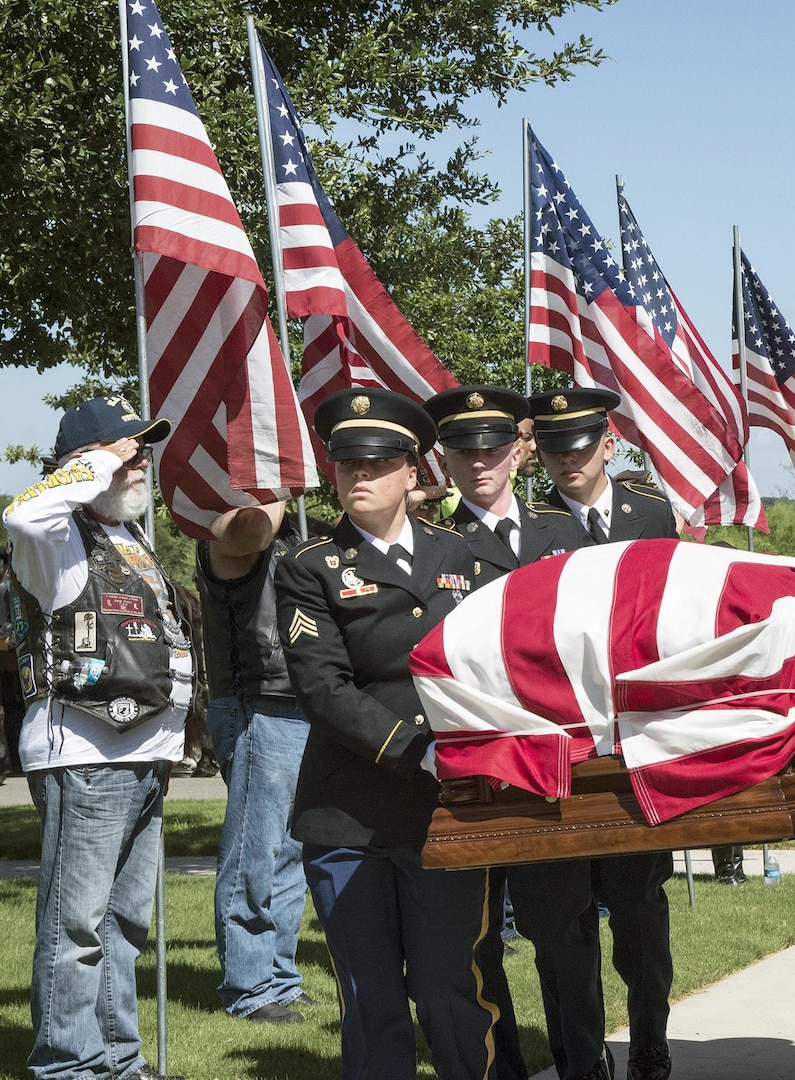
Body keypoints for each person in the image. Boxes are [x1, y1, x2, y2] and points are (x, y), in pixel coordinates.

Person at [273, 388, 498, 1080]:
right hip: (351, 815)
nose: (358, 478)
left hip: (449, 810)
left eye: (375, 463)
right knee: (371, 998)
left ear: (411, 471)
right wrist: (416, 748)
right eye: (346, 466)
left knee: (449, 986)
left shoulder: (470, 556)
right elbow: (324, 690)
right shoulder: (309, 567)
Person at [4, 395, 189, 1080]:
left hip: (145, 752)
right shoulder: (53, 537)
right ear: (85, 462)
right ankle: (67, 1064)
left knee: (122, 926)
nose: (141, 460)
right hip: (83, 753)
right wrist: (91, 465)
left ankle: (117, 1059)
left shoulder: (128, 535)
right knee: (74, 928)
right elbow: (22, 510)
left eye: (141, 449)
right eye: (128, 449)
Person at [424, 383, 591, 1080]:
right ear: (445, 457)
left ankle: (585, 1065)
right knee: (476, 939)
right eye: (463, 450)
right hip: (475, 763)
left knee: (565, 935)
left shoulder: (565, 531)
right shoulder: (432, 544)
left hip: (559, 759)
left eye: (492, 447)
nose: (478, 461)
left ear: (519, 451)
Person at [530, 387, 675, 1080]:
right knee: (562, 919)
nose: (566, 461)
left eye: (580, 448)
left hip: (634, 741)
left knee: (640, 910)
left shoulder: (649, 513)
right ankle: (582, 1057)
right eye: (553, 450)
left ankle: (650, 1036)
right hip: (559, 742)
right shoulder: (527, 524)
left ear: (608, 446)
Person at [193, 501, 317, 1023]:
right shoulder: (230, 525)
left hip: (299, 703)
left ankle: (279, 978)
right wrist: (276, 472)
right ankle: (250, 985)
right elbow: (247, 531)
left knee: (289, 853)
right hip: (258, 704)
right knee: (255, 851)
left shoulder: (296, 534)